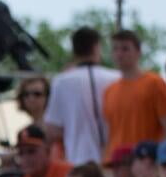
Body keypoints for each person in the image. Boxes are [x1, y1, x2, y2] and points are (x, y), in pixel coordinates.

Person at [45, 26, 120, 167]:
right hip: (114, 160)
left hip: (78, 160)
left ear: (73, 50)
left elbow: (53, 129)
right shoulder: (116, 78)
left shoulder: (61, 81)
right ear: (97, 47)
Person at [102, 30, 166, 164]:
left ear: (138, 52)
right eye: (115, 49)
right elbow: (110, 132)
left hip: (145, 161)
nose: (119, 54)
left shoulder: (154, 83)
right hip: (116, 163)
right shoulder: (109, 90)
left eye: (125, 49)